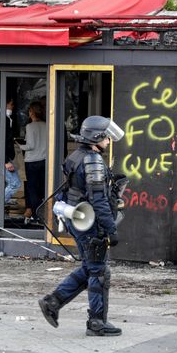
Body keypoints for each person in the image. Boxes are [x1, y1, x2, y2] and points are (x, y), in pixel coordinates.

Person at [38, 115, 125, 336]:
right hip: (88, 221)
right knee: (98, 271)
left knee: (90, 267)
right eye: (105, 137)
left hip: (76, 219)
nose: (108, 140)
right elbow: (99, 200)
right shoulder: (93, 161)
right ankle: (96, 322)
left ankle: (53, 302)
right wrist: (111, 229)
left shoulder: (77, 156)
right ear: (96, 137)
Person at [0, 97, 21, 212]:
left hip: (2, 157)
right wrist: (6, 161)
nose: (12, 107)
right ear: (5, 104)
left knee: (6, 184)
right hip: (1, 158)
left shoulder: (4, 118)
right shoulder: (1, 119)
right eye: (11, 104)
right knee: (15, 183)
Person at [20, 101, 48, 221]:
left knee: (32, 188)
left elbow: (30, 145)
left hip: (31, 161)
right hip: (43, 160)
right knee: (42, 188)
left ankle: (36, 214)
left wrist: (20, 144)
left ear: (32, 112)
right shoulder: (46, 125)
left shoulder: (30, 126)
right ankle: (43, 212)